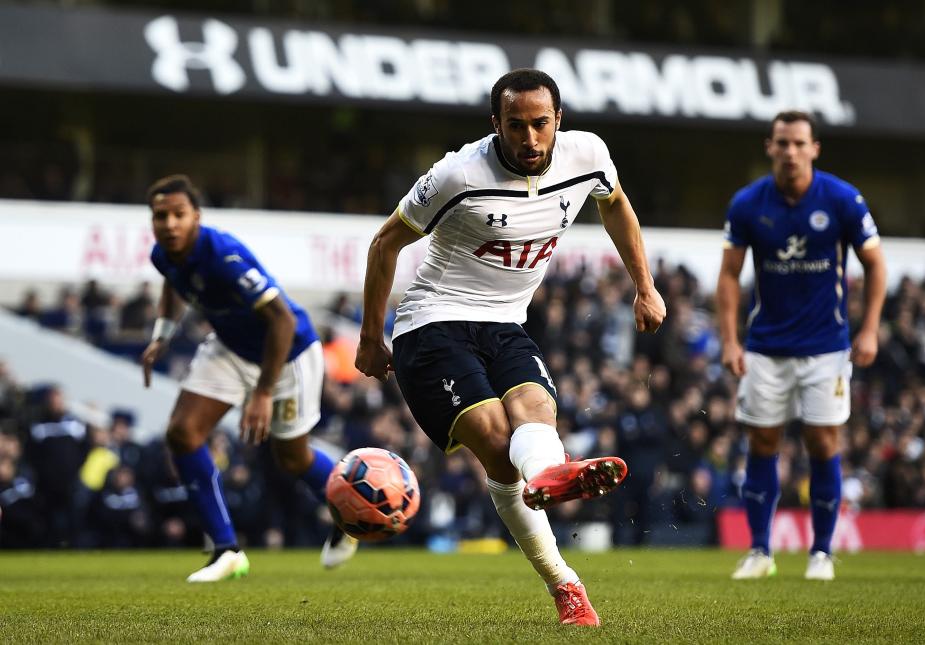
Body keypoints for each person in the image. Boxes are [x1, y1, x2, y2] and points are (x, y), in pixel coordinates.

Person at [355, 69, 666, 626]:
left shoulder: (588, 154)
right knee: (499, 445)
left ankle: (550, 476)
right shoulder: (457, 175)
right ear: (495, 123)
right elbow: (385, 243)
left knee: (537, 410)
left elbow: (614, 203)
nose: (529, 138)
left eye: (540, 124)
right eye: (516, 125)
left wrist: (644, 286)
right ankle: (566, 584)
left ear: (559, 121)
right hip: (432, 323)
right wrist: (370, 337)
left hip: (505, 322)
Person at [141, 174, 356, 582]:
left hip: (288, 352)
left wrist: (262, 393)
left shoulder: (224, 255)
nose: (169, 224)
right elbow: (173, 284)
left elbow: (282, 320)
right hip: (232, 347)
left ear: (196, 217)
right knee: (182, 433)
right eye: (160, 216)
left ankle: (348, 515)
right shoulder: (163, 254)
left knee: (291, 457)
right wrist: (162, 336)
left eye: (178, 215)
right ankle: (226, 549)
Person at [715, 111, 886, 581]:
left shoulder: (842, 199)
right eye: (782, 143)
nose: (791, 152)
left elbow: (876, 265)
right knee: (762, 441)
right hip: (765, 346)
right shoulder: (748, 204)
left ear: (815, 148)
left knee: (822, 442)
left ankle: (822, 553)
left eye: (799, 143)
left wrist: (868, 330)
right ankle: (759, 551)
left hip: (827, 347)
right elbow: (729, 276)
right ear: (769, 146)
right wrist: (730, 340)